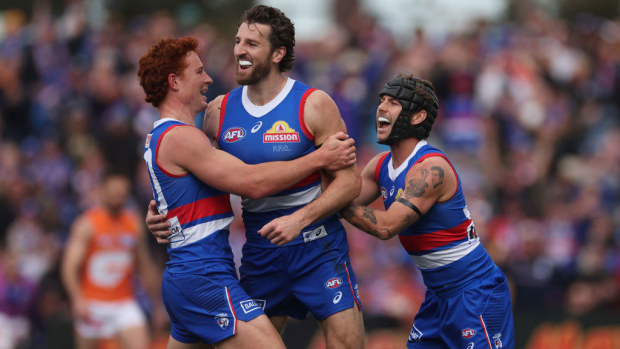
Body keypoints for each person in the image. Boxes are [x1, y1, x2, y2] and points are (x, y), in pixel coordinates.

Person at [147, 5, 365, 348]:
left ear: (278, 53)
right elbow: (200, 175)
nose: (239, 50)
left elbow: (351, 182)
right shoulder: (217, 112)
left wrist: (300, 218)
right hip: (263, 249)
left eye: (252, 43)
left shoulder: (313, 103)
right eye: (238, 40)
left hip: (318, 246)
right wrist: (163, 212)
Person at [338, 73, 514, 348]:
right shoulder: (379, 165)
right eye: (381, 100)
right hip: (437, 294)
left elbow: (385, 226)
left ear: (418, 117)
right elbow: (343, 197)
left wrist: (335, 200)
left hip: (475, 290)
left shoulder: (430, 169)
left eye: (394, 102)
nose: (382, 107)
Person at [61, 169, 166, 349]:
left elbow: (144, 265)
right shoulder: (87, 224)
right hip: (92, 303)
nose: (119, 197)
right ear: (102, 191)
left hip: (124, 303)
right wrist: (77, 299)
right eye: (114, 193)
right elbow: (69, 267)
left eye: (122, 193)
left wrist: (156, 305)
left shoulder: (133, 223)